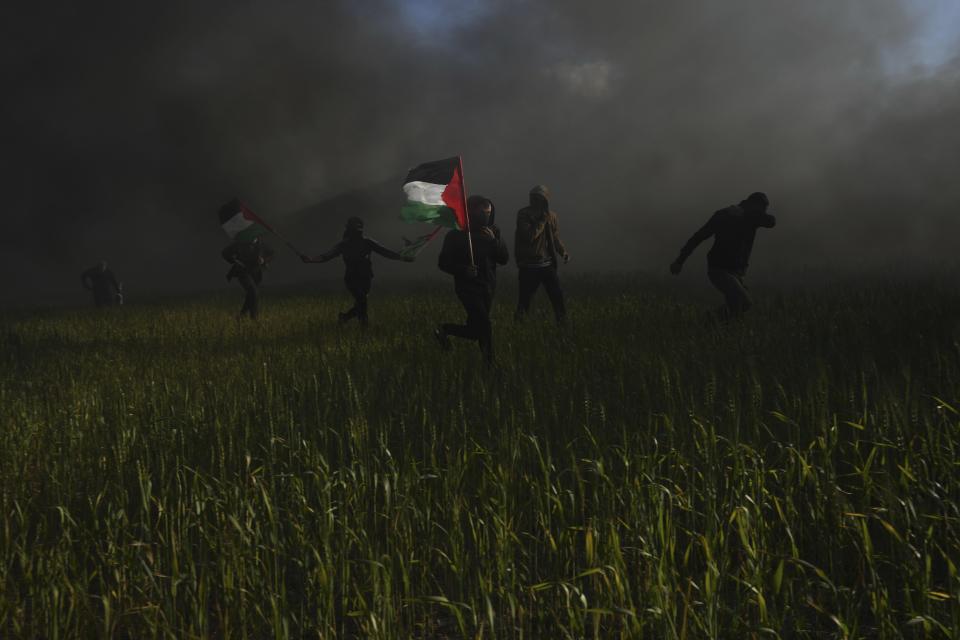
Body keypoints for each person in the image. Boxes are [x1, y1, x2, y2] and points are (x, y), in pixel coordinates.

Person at [670, 191, 776, 318]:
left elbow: (771, 221)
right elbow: (699, 237)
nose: (763, 212)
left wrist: (748, 214)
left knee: (739, 307)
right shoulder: (725, 215)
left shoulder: (751, 217)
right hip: (719, 269)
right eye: (762, 208)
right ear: (754, 205)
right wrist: (680, 261)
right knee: (742, 302)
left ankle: (707, 324)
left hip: (736, 272)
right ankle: (705, 322)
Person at [300, 217, 412, 327]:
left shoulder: (367, 242)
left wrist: (402, 258)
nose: (357, 232)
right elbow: (326, 256)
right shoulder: (344, 245)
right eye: (354, 229)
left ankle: (345, 317)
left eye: (358, 229)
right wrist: (311, 260)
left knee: (361, 302)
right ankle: (364, 326)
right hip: (352, 278)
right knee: (362, 300)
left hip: (366, 277)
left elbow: (386, 252)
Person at [435, 195, 509, 364]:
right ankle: (489, 365)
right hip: (467, 288)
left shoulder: (493, 232)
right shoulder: (456, 234)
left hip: (488, 286)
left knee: (476, 330)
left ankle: (445, 329)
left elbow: (504, 259)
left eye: (489, 213)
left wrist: (494, 242)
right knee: (485, 325)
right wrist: (463, 270)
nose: (486, 216)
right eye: (482, 213)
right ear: (471, 212)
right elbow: (443, 263)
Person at [514, 184, 570, 323]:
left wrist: (563, 252)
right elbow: (529, 236)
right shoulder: (524, 214)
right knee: (524, 302)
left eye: (539, 198)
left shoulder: (552, 216)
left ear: (545, 200)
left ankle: (563, 326)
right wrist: (542, 221)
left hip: (547, 265)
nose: (535, 201)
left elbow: (555, 237)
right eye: (533, 198)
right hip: (529, 266)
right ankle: (518, 327)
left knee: (558, 299)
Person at [222, 236, 274, 319]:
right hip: (243, 272)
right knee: (254, 293)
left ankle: (241, 315)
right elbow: (225, 253)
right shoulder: (239, 243)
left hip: (256, 273)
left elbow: (271, 253)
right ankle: (254, 318)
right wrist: (234, 260)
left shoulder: (261, 244)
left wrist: (264, 260)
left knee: (251, 295)